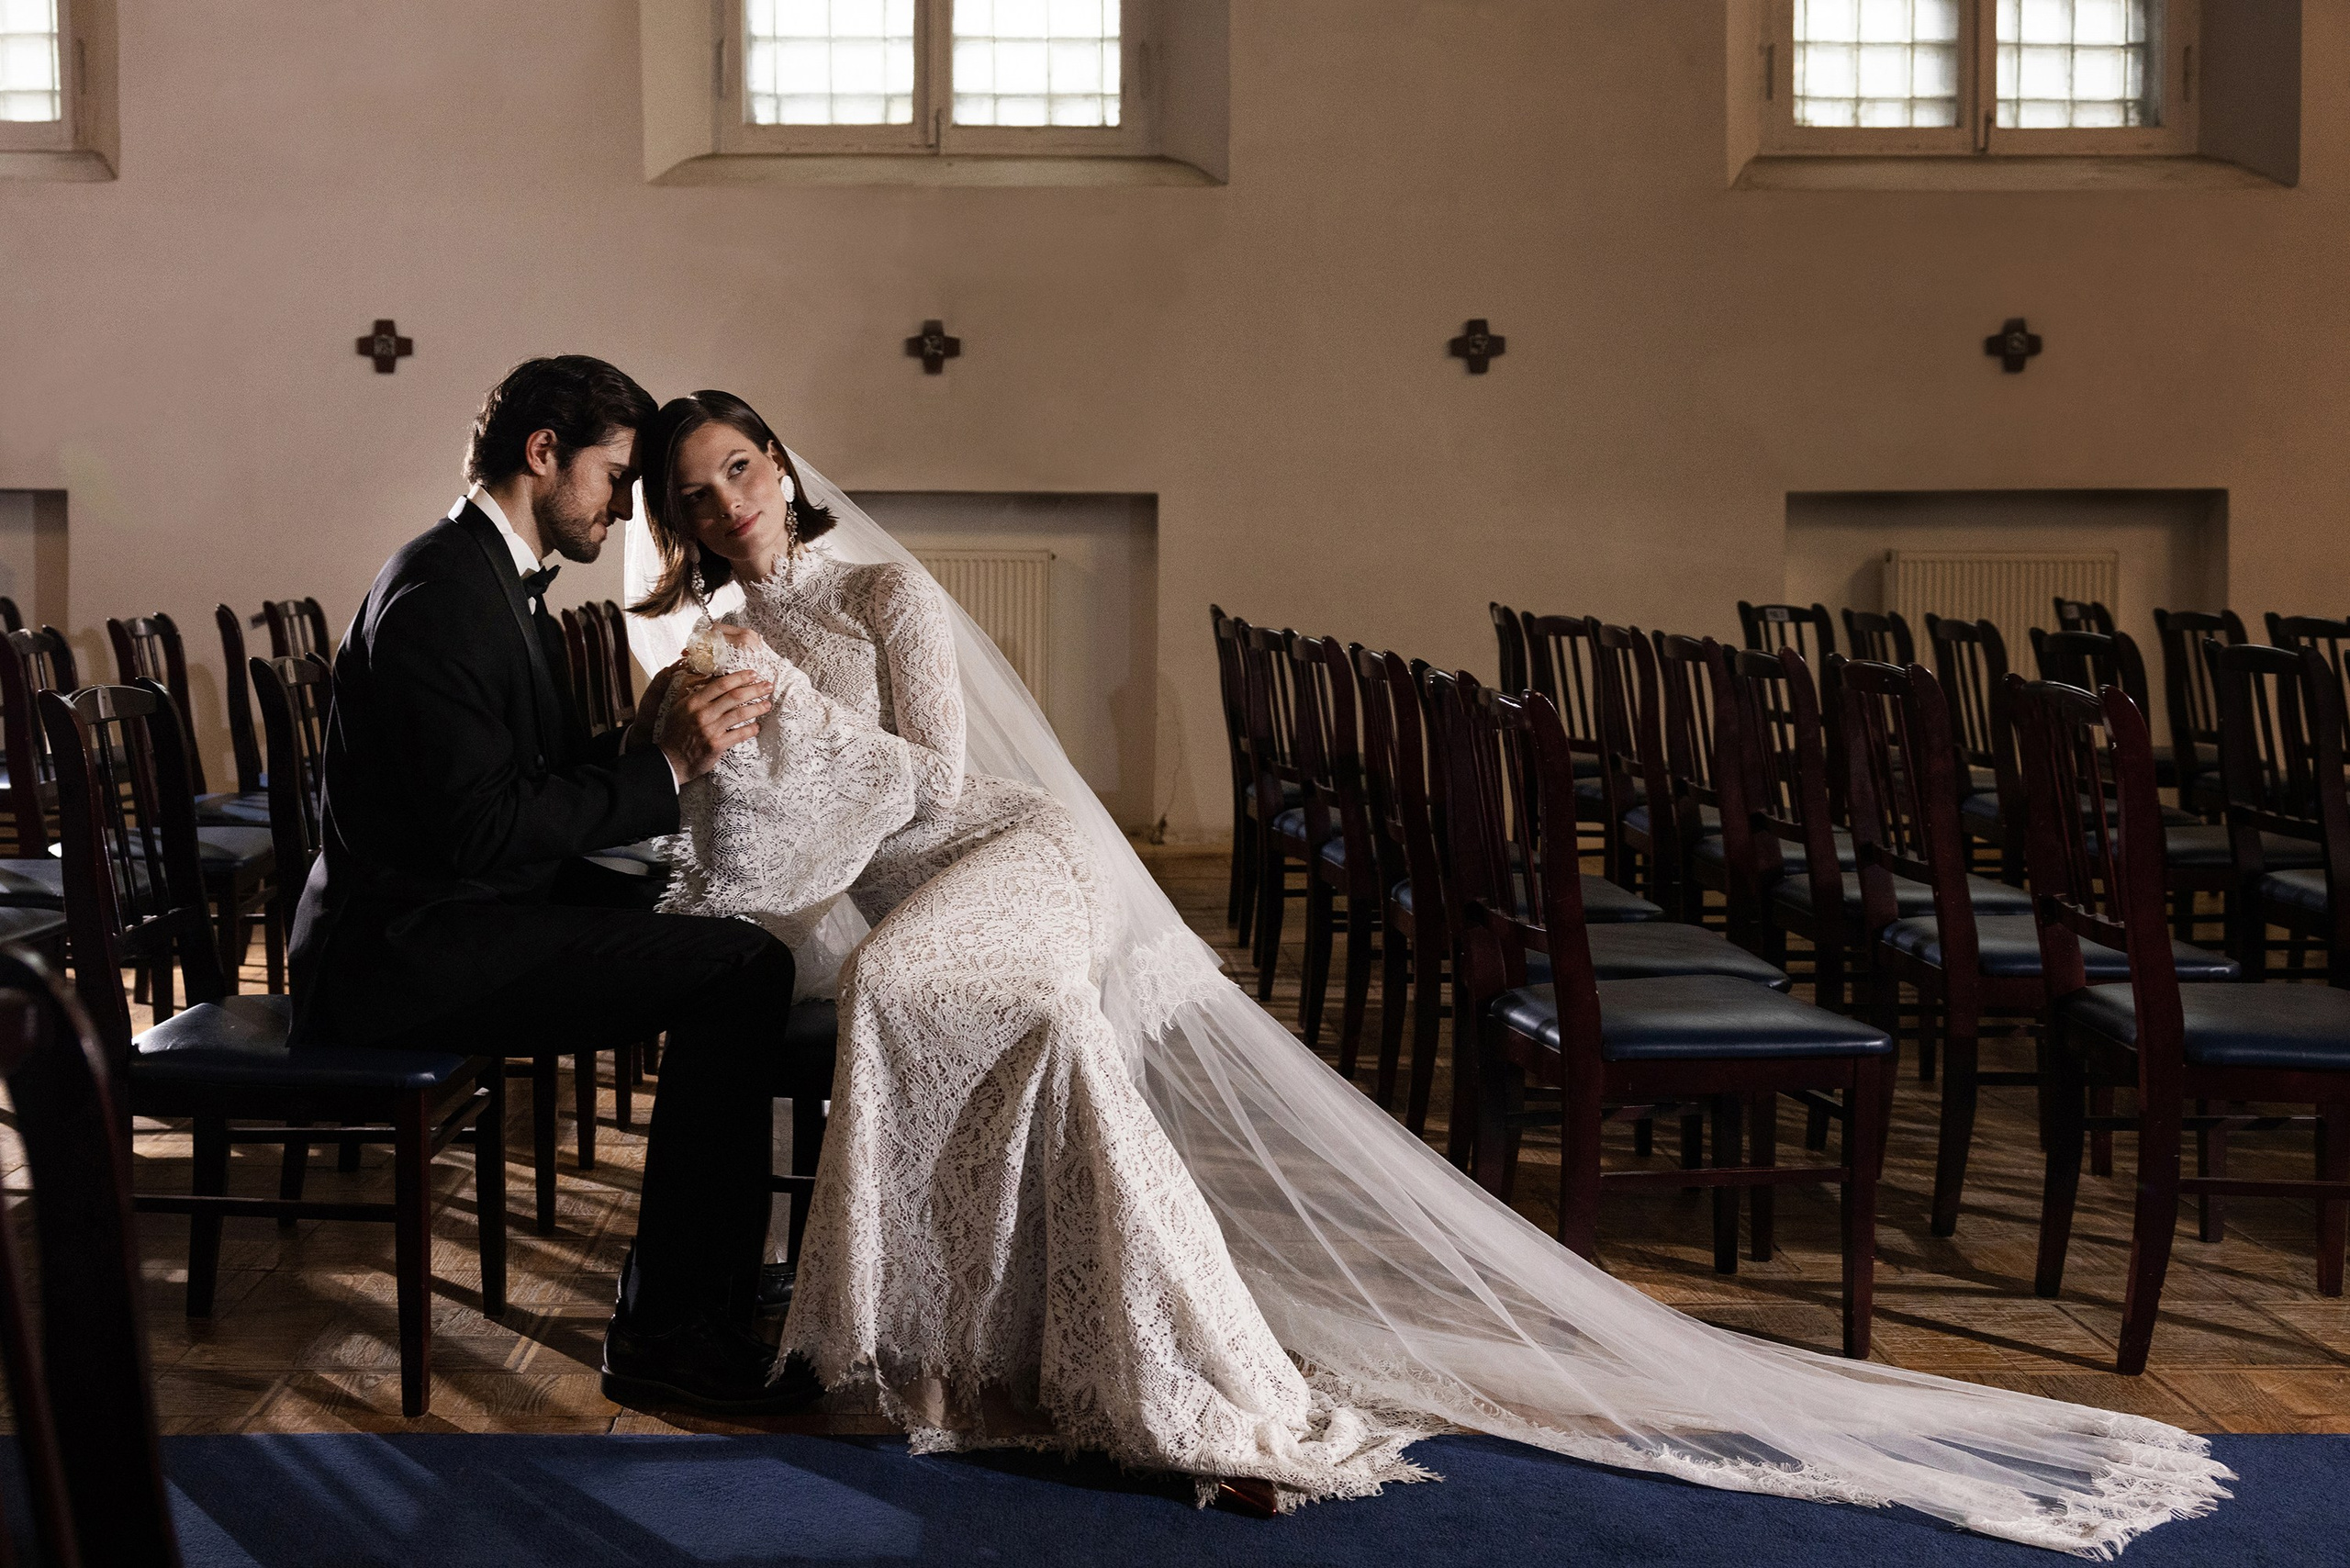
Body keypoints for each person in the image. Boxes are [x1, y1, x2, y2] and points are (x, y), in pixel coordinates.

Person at [623, 388, 2232, 1550]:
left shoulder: (884, 591)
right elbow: (744, 824)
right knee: (988, 1022)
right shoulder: (707, 642)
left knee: (920, 993)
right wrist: (692, 737)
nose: (726, 501)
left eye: (740, 467)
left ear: (783, 468)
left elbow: (933, 784)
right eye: (694, 493)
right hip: (919, 895)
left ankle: (1185, 1369)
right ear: (678, 523)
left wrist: (787, 727)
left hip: (1009, 857)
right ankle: (1021, 1345)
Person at [290, 357, 831, 1417]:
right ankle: (667, 1329)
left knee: (724, 918)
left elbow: (519, 780)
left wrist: (643, 734)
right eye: (616, 476)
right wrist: (665, 766)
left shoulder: (490, 581)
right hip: (405, 954)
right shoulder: (442, 593)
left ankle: (717, 1284)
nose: (626, 507)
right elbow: (482, 828)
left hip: (462, 915)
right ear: (544, 453)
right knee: (737, 970)